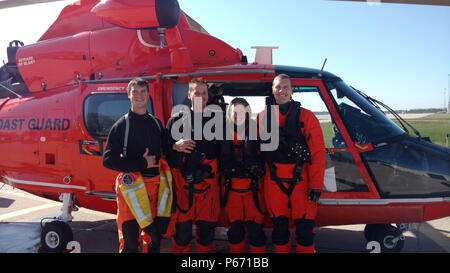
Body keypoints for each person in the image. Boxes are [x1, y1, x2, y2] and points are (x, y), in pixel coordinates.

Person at [102, 78, 173, 253]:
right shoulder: (121, 125)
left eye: (143, 92)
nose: (139, 96)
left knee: (154, 241)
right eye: (135, 92)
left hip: (154, 192)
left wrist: (176, 146)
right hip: (131, 193)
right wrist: (141, 163)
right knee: (130, 245)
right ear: (129, 95)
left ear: (149, 95)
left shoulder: (156, 123)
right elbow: (108, 159)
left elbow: (167, 149)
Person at [258, 74, 326, 253]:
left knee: (304, 230)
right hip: (273, 179)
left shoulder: (307, 117)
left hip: (301, 180)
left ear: (292, 90)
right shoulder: (262, 118)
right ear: (272, 90)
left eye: (285, 87)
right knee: (279, 230)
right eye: (278, 87)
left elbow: (318, 153)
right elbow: (256, 151)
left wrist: (316, 185)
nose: (282, 91)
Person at [165, 78, 221, 253]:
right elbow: (164, 150)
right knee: (182, 233)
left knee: (206, 232)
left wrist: (207, 170)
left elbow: (225, 152)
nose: (201, 96)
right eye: (197, 92)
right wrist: (174, 146)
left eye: (204, 93)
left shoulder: (218, 121)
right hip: (183, 185)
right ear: (189, 95)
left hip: (208, 185)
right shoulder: (175, 121)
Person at [219, 97, 267, 253]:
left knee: (256, 231)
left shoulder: (257, 129)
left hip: (252, 189)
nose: (238, 115)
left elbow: (267, 156)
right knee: (235, 231)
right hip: (231, 189)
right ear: (229, 112)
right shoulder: (222, 131)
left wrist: (256, 166)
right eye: (235, 111)